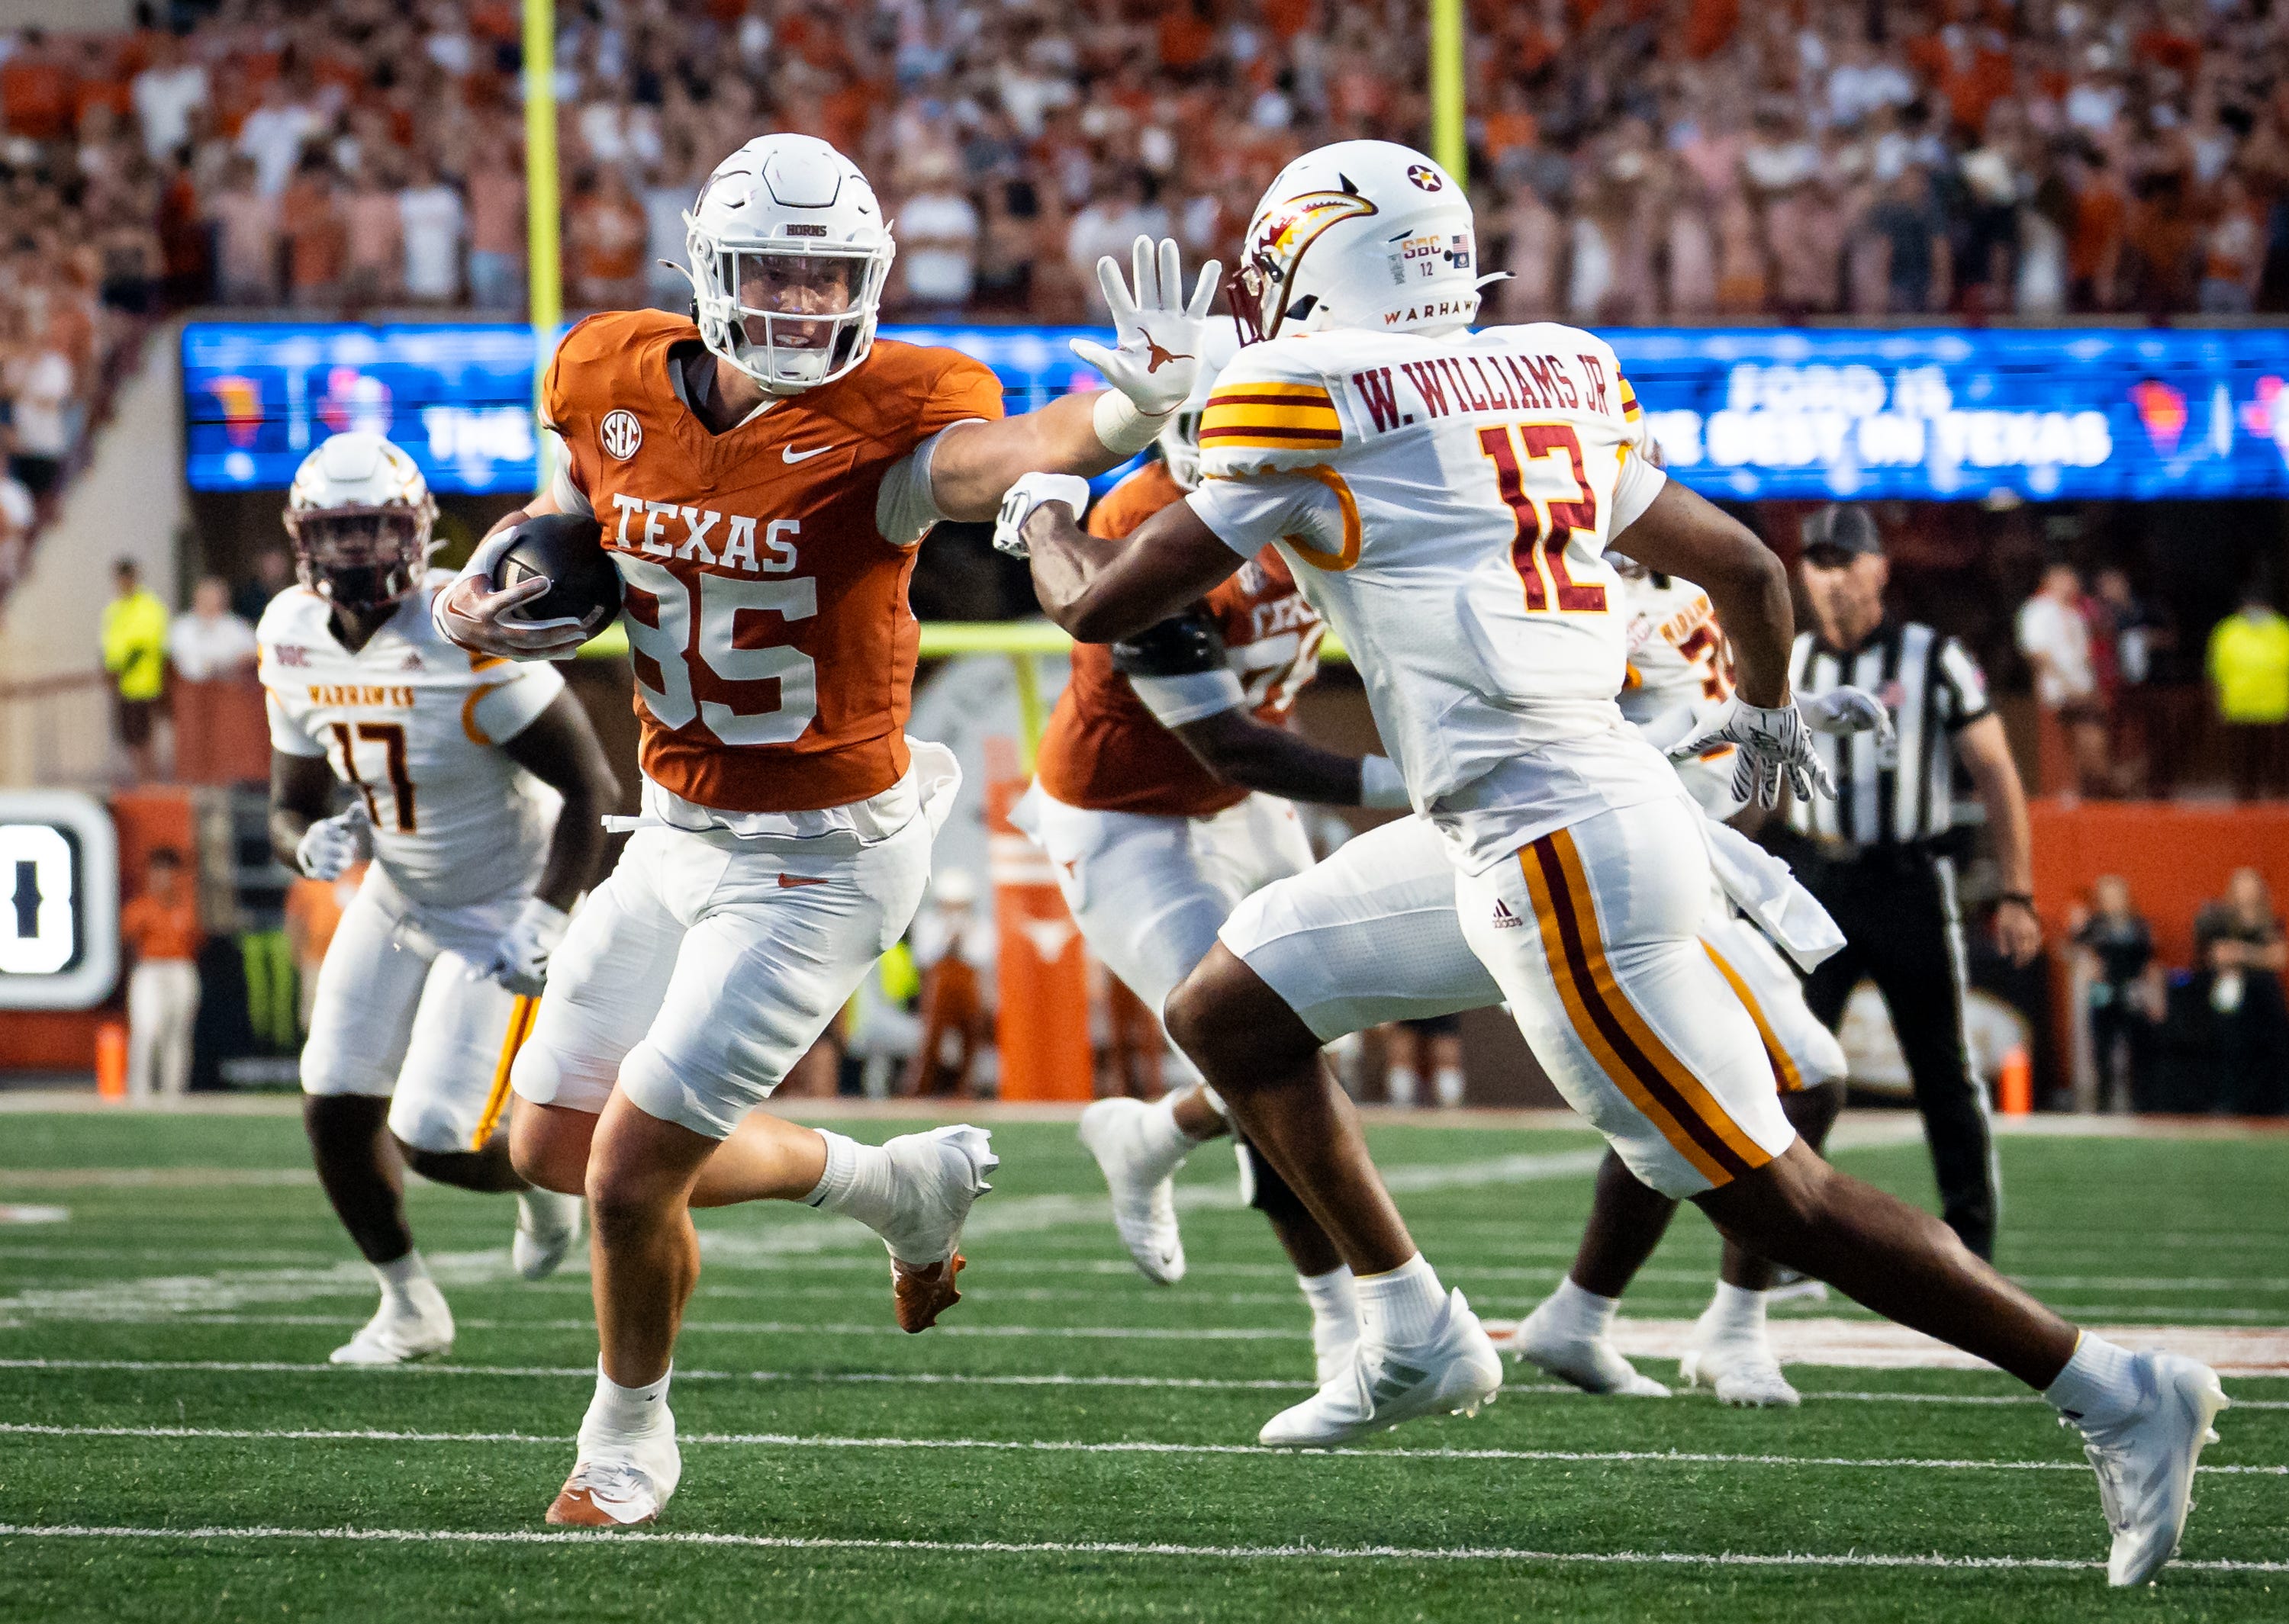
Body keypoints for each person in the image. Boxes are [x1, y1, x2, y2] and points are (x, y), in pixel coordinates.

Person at [1003, 137, 2224, 1587]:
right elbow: (1754, 572)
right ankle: (1410, 1326)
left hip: (1552, 845)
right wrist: (1765, 768)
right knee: (1227, 1010)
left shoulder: (1301, 394)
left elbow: (1101, 607)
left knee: (1773, 1193)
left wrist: (1042, 509)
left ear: (1306, 264)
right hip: (1529, 812)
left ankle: (2116, 1389)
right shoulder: (1558, 366)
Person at [432, 132, 1226, 1529]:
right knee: (550, 1147)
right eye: (775, 274)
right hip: (674, 827)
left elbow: (999, 458)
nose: (804, 304)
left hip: (820, 855)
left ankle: (626, 1437)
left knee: (627, 1172)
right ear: (708, 274)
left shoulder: (897, 409)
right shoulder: (604, 371)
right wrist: (501, 581)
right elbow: (576, 522)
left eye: (830, 277)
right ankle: (891, 1181)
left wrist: (1117, 419)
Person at [1018, 335, 1411, 1381]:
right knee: (1272, 1054)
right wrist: (1416, 784)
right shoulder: (1141, 524)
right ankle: (1341, 1324)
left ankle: (1149, 1137)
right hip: (1131, 818)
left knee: (1311, 1042)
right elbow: (1230, 738)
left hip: (1241, 803)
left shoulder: (1314, 488)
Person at [261, 431, 620, 1366]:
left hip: (504, 899)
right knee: (333, 1102)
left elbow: (590, 788)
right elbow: (287, 805)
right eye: (336, 533)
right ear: (304, 538)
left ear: (414, 531)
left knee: (435, 1138)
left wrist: (547, 916)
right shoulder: (289, 634)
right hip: (397, 893)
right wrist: (307, 841)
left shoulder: (465, 635)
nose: (356, 552)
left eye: (373, 529)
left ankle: (548, 1184)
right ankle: (408, 1302)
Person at [1781, 503, 2042, 1262]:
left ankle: (1972, 1244)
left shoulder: (1933, 656)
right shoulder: (1789, 659)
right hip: (1814, 872)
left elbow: (1995, 768)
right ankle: (1783, 1246)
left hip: (1904, 879)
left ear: (1881, 568)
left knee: (1941, 1069)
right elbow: (1755, 781)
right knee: (1794, 1066)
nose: (1832, 579)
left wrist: (2018, 890)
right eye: (1819, 562)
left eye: (1847, 561)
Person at [2192, 868, 2288, 1115]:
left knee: (2273, 1048)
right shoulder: (2221, 922)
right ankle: (2232, 1102)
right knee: (2232, 1047)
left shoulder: (2271, 922)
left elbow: (2279, 958)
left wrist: (2242, 952)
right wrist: (2256, 955)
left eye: (2252, 885)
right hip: (2232, 994)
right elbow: (2216, 955)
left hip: (2265, 995)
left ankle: (2272, 1104)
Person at [2017, 560, 2111, 798]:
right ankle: (2067, 795)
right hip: (2058, 690)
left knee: (2092, 744)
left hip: (2082, 689)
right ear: (2049, 581)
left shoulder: (2076, 616)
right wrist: (2061, 682)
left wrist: (2092, 689)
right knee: (2062, 748)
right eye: (2064, 578)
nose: (2071, 584)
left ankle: (2090, 794)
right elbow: (2036, 652)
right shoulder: (2037, 610)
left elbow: (2084, 658)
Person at [120, 846, 201, 1101]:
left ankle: (173, 1092)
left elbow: (197, 941)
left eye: (169, 872)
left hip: (180, 967)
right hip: (150, 968)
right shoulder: (140, 908)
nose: (164, 878)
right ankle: (140, 1091)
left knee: (177, 1032)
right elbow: (127, 942)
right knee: (147, 1028)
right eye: (158, 872)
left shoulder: (187, 908)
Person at [2072, 874, 2155, 1112]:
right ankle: (2103, 1104)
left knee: (2137, 1048)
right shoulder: (2094, 925)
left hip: (2131, 992)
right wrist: (2088, 961)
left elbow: (2148, 959)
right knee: (2102, 1050)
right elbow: (2075, 948)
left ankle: (2140, 1102)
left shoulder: (2138, 926)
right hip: (2103, 993)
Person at [2207, 585, 2289, 802]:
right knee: (2243, 758)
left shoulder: (2283, 630)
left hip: (2276, 707)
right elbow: (2216, 671)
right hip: (2238, 705)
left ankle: (2278, 799)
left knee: (2276, 759)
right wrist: (2217, 701)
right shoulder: (2227, 631)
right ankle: (2245, 800)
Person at [101, 558, 168, 783]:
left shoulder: (148, 606)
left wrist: (121, 668)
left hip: (143, 682)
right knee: (129, 736)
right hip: (122, 684)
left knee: (145, 735)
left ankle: (150, 781)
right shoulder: (116, 608)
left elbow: (146, 641)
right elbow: (110, 643)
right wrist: (109, 669)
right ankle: (140, 780)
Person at [168, 576, 257, 681]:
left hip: (230, 689)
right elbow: (188, 664)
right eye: (207, 596)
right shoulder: (182, 627)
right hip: (193, 689)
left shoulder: (236, 626)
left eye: (216, 597)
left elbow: (253, 651)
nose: (211, 601)